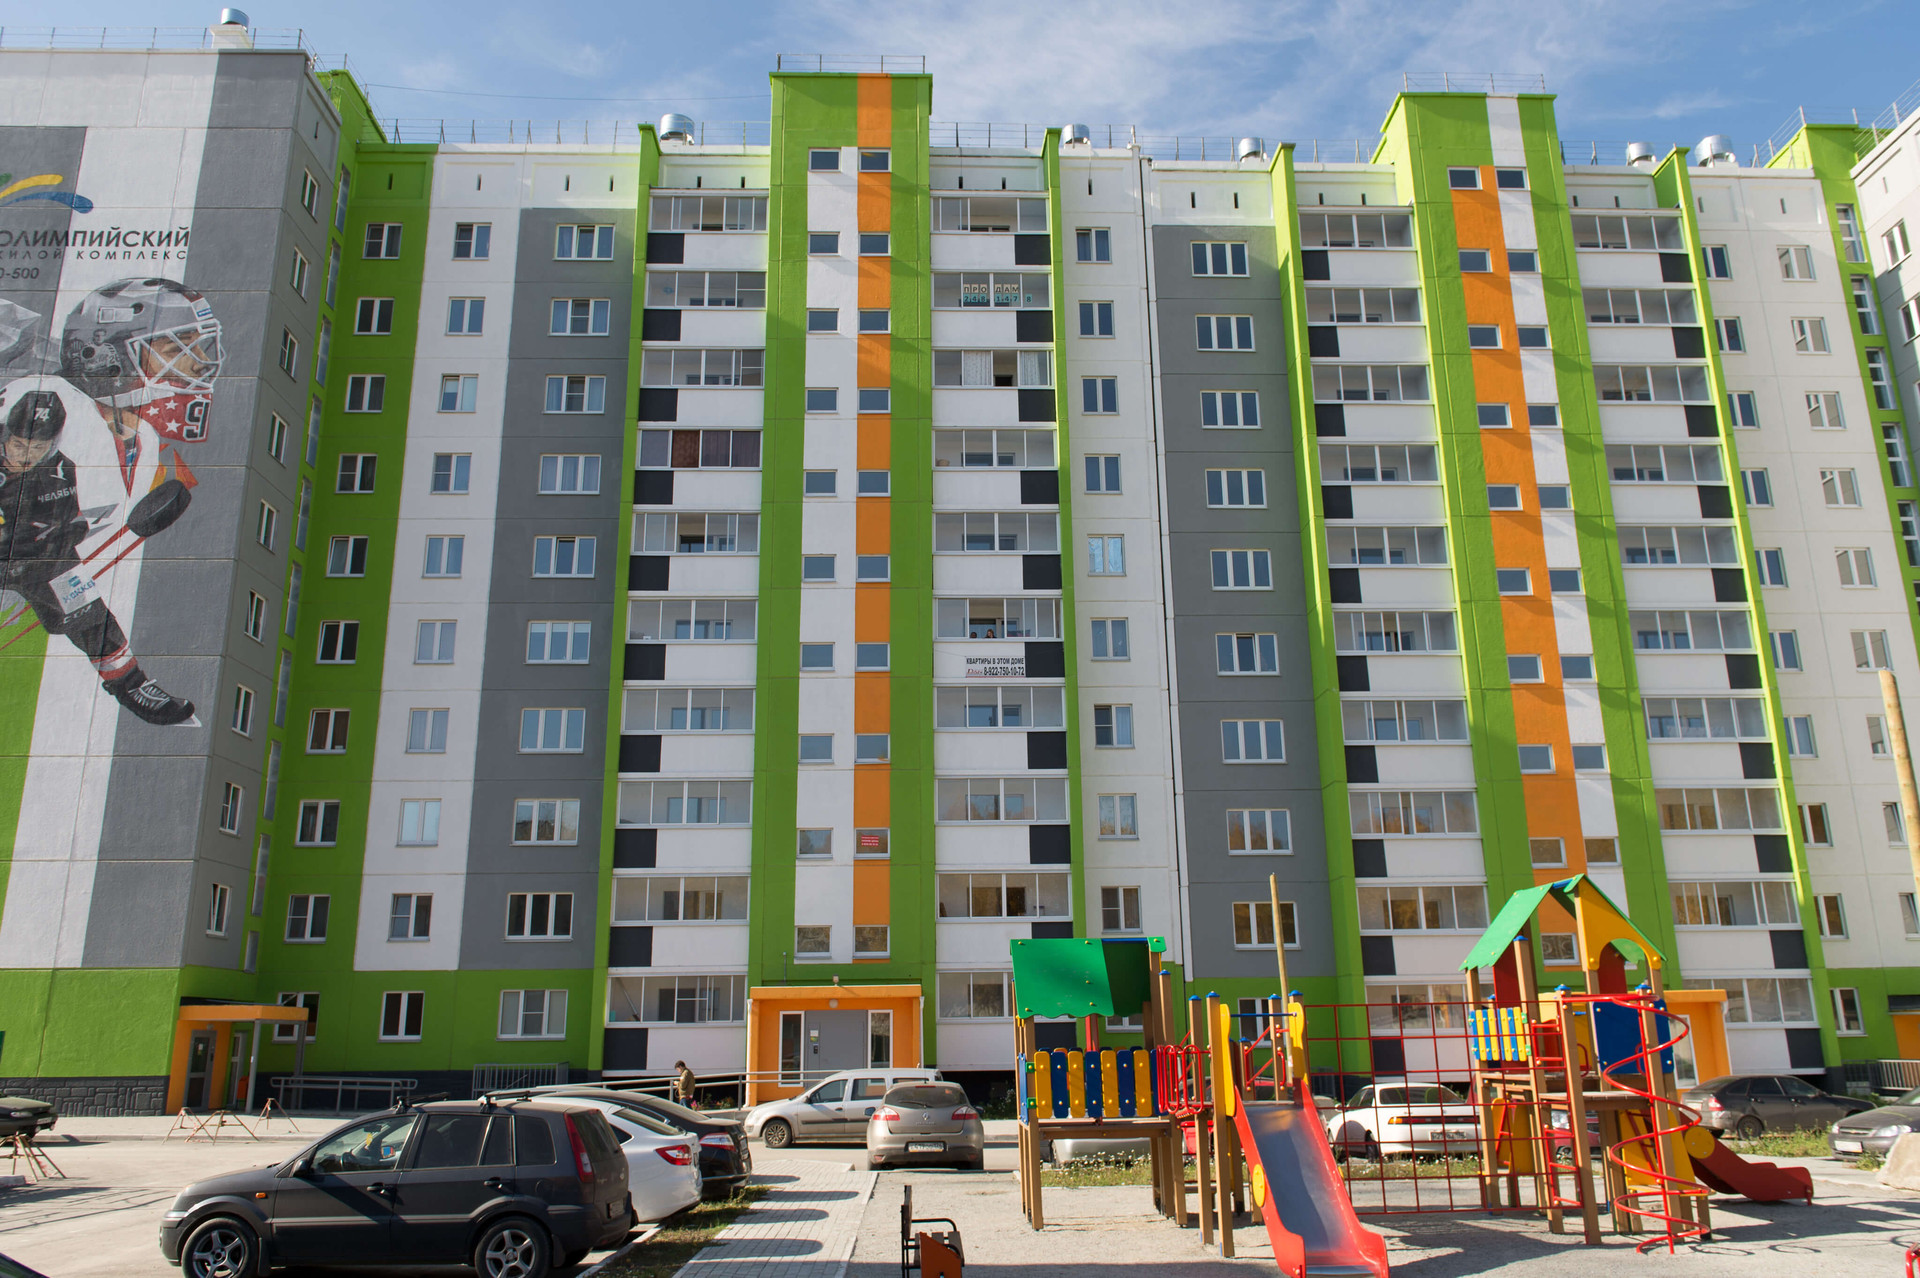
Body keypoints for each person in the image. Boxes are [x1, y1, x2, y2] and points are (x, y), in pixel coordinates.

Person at [0, 384, 195, 723]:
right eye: (18, 444)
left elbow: (63, 528)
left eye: (38, 447)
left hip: (30, 561)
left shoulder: (60, 472)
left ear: (53, 445)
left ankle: (131, 684)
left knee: (82, 598)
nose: (26, 455)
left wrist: (54, 541)